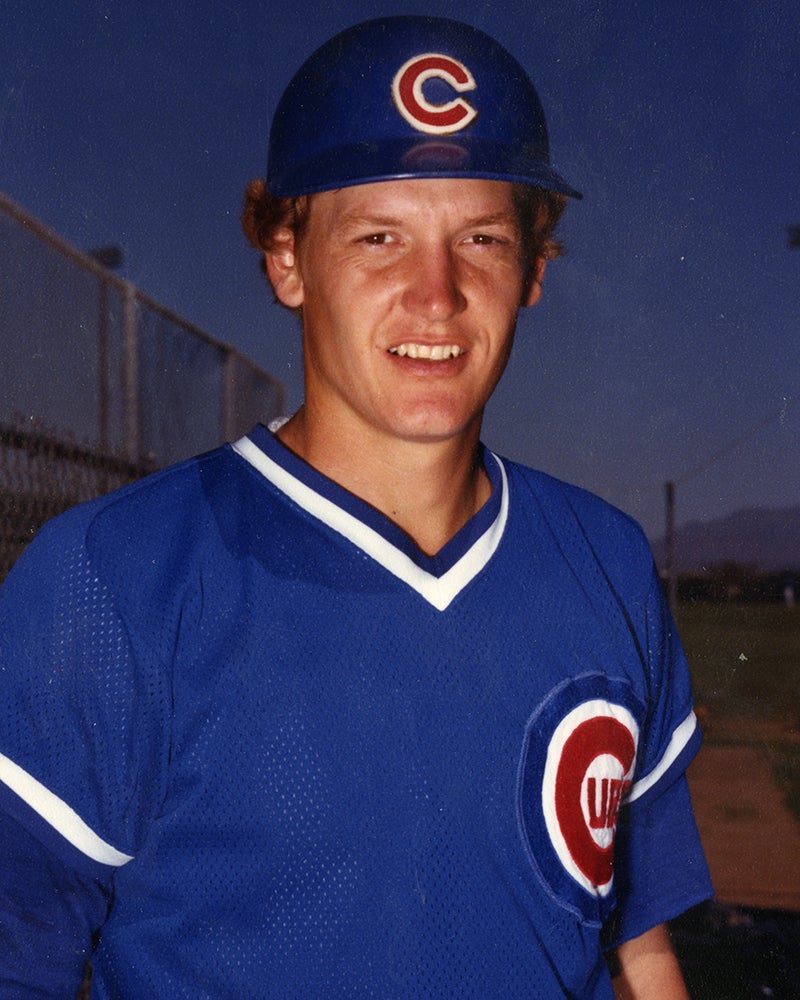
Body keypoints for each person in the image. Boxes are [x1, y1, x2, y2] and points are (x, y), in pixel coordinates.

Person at [0, 16, 712, 998]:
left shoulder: (606, 560)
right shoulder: (110, 578)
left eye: (481, 240)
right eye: (379, 237)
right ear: (287, 258)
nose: (436, 293)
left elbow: (639, 949)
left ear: (533, 271)